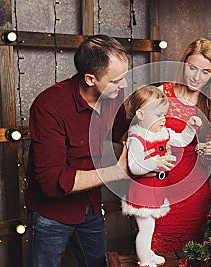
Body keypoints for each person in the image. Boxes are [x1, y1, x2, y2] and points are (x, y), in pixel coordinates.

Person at [25, 35, 132, 267]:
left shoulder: (113, 95)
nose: (124, 86)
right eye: (116, 81)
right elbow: (52, 181)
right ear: (90, 79)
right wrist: (117, 171)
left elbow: (121, 131)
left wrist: (152, 128)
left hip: (91, 207)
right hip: (51, 215)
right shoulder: (49, 106)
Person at [151, 37, 211, 253]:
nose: (196, 77)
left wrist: (209, 150)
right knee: (155, 253)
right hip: (159, 187)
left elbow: (206, 163)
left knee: (192, 253)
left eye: (205, 71)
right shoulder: (161, 93)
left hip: (194, 193)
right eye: (192, 68)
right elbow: (136, 138)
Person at [121, 85, 202, 267]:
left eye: (164, 114)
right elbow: (134, 167)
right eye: (158, 116)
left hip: (155, 190)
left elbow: (181, 140)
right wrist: (155, 163)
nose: (164, 120)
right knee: (145, 228)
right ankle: (144, 261)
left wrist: (189, 126)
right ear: (140, 115)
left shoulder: (162, 133)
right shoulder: (136, 138)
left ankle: (148, 253)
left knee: (150, 226)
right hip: (142, 193)